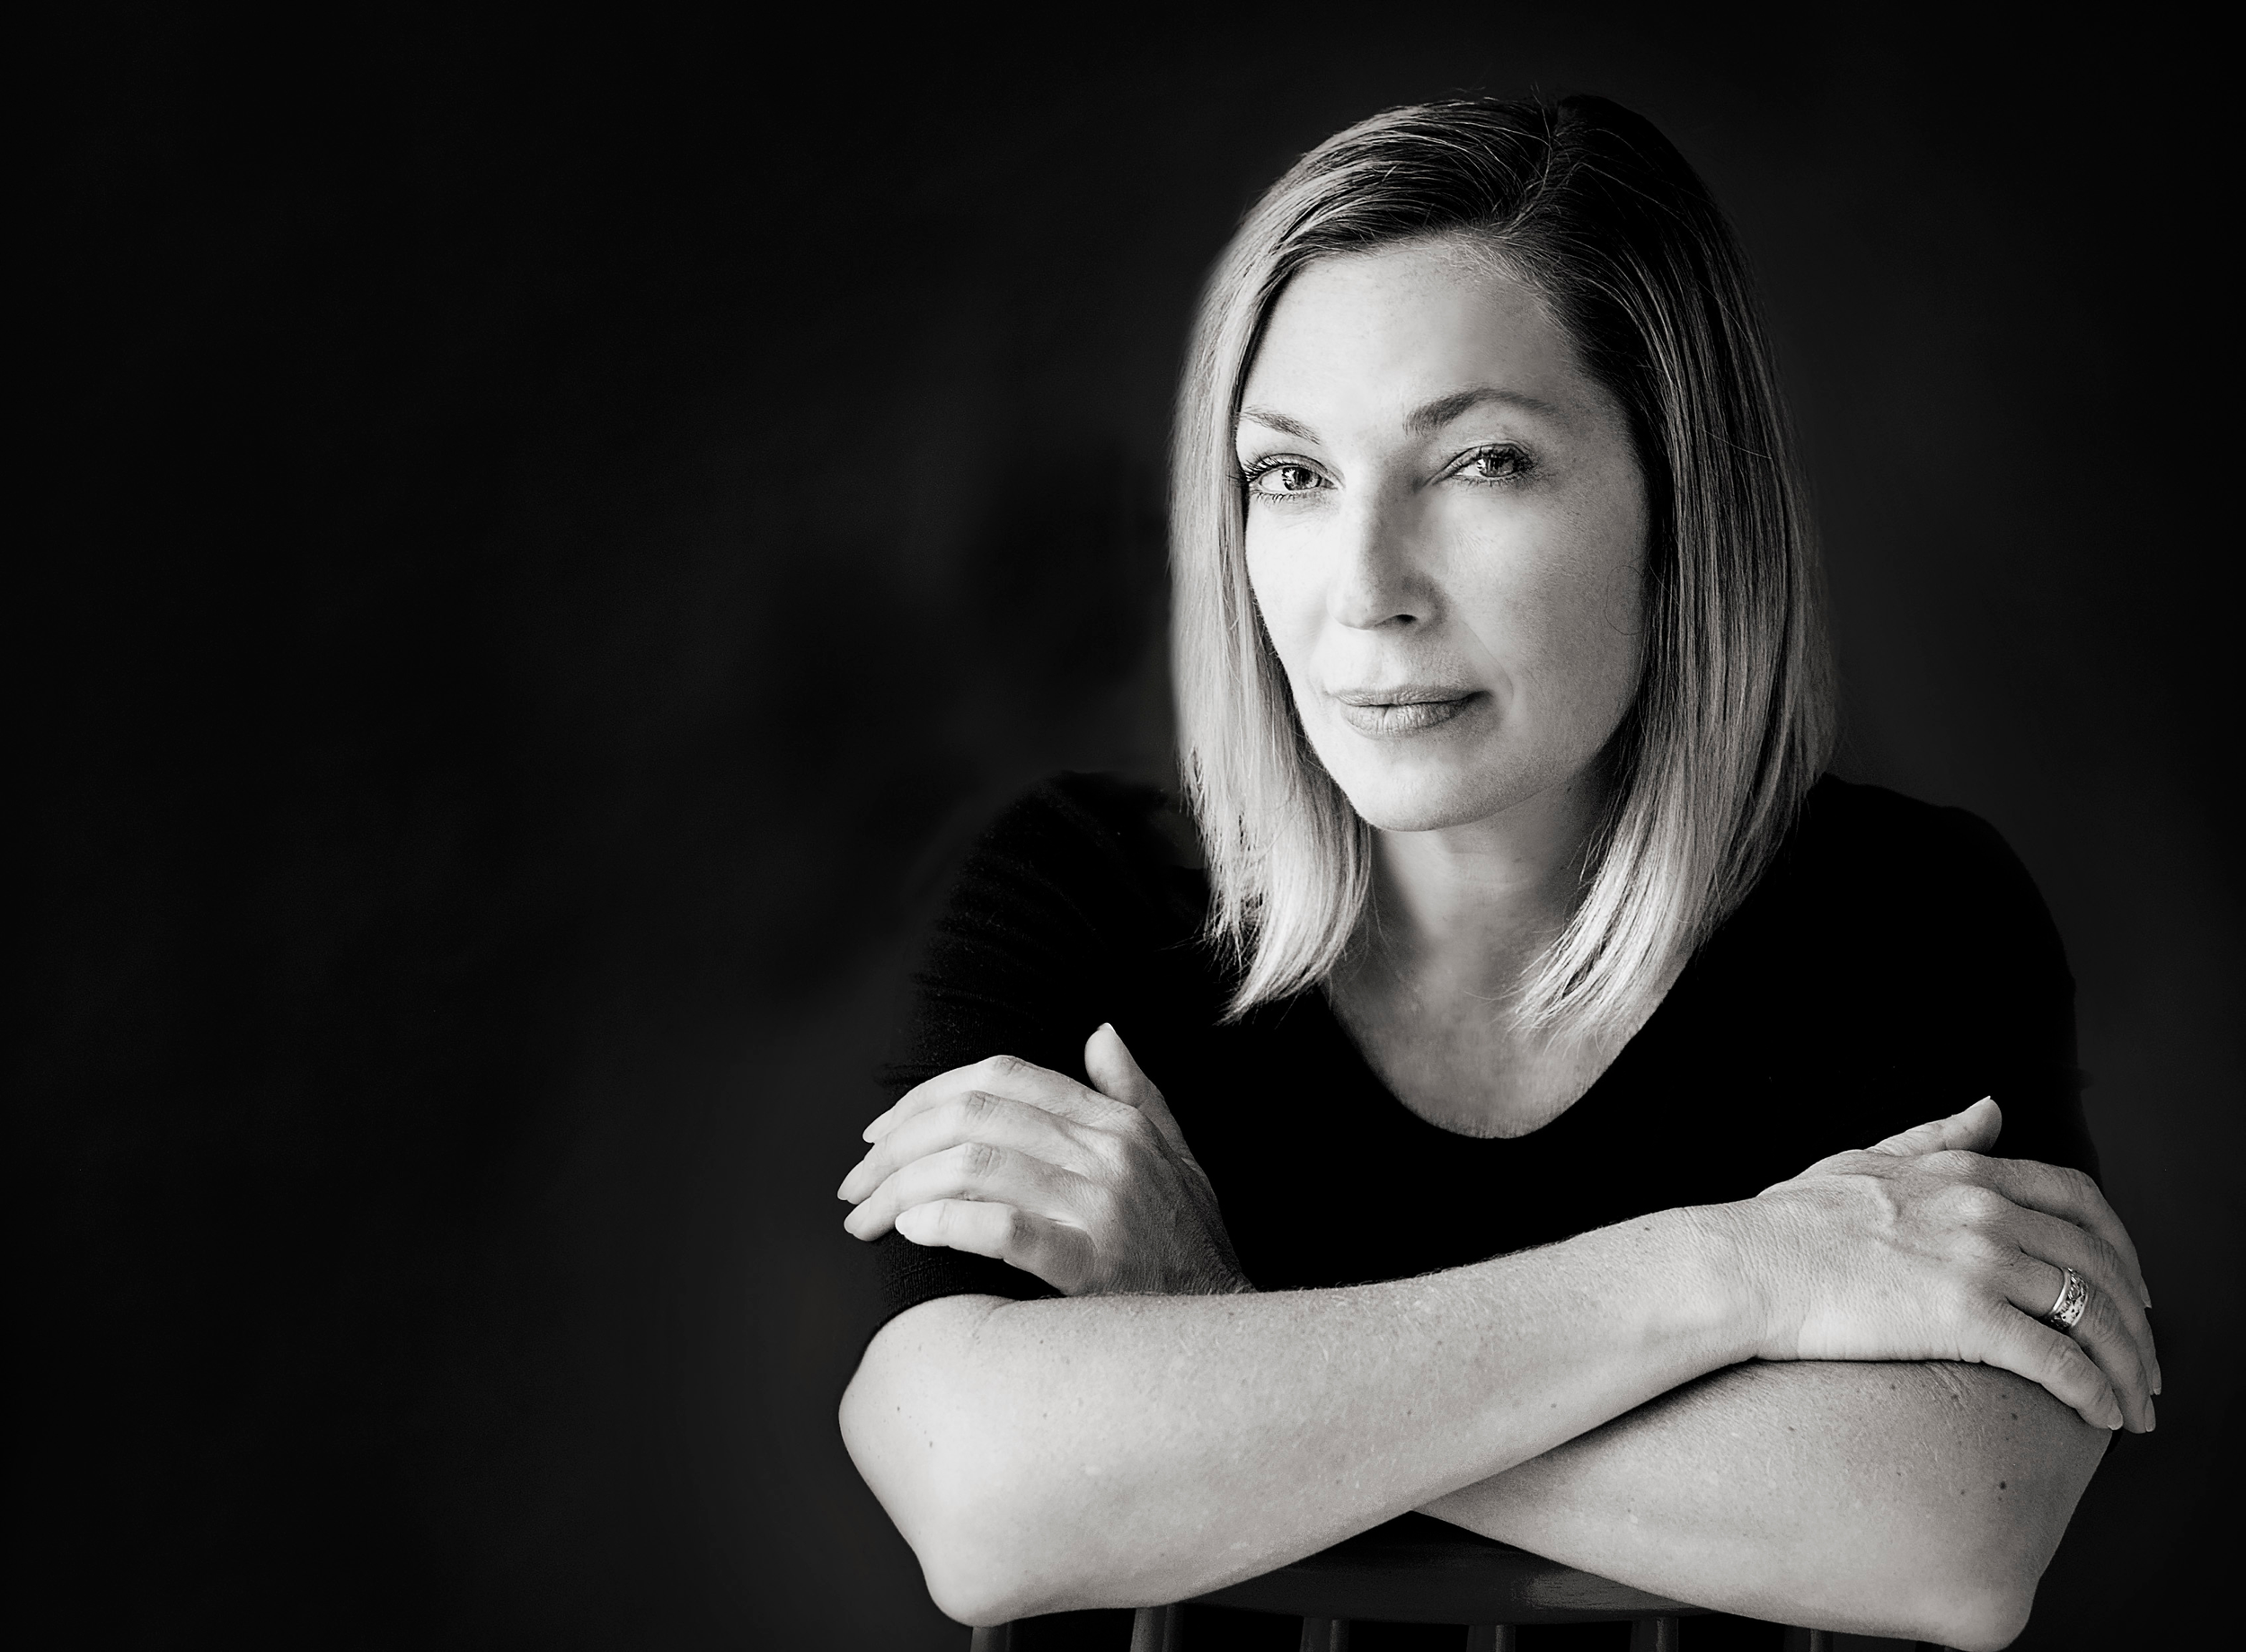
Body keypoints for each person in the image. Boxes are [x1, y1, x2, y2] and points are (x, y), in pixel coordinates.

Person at [835, 95, 2155, 1651]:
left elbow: (1953, 1539)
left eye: (1479, 462)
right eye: (1292, 477)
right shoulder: (1088, 899)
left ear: (1679, 501)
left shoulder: (1903, 918)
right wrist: (1741, 1272)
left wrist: (1218, 1330)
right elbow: (985, 1500)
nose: (1367, 591)